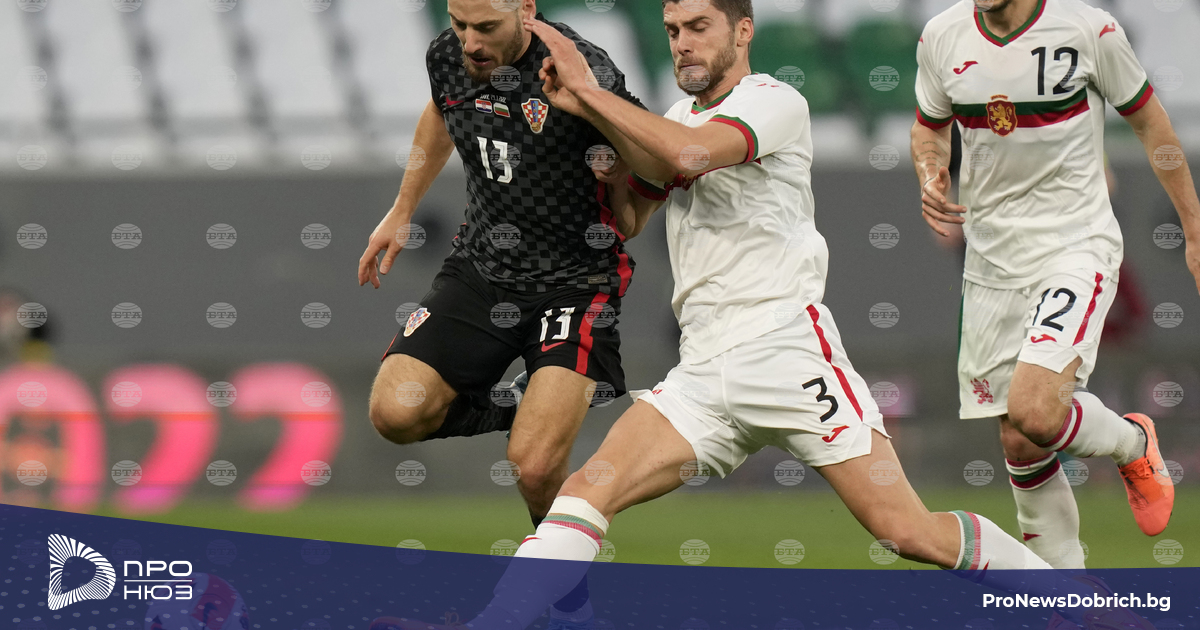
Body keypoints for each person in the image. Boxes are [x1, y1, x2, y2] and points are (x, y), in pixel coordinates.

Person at [371, 1, 1153, 628]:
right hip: (702, 374)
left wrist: (591, 96)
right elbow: (632, 212)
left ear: (742, 31)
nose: (683, 42)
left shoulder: (774, 102)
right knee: (582, 494)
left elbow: (686, 156)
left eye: (699, 26)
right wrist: (589, 150)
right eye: (672, 29)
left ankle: (1078, 604)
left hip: (789, 355)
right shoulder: (670, 116)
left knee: (907, 531)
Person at [357, 0, 644, 623]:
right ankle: (522, 404)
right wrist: (402, 209)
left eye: (485, 27)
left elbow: (645, 164)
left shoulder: (583, 68)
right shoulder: (449, 56)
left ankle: (569, 604)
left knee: (535, 468)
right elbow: (441, 111)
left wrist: (607, 145)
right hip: (482, 270)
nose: (469, 42)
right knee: (394, 413)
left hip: (576, 282)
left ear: (526, 11)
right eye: (459, 24)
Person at [911, 0, 1198, 569]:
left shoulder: (1089, 29)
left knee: (1038, 412)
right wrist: (931, 172)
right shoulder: (941, 36)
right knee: (1021, 440)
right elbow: (928, 127)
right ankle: (1066, 596)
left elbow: (1151, 123)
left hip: (1074, 245)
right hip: (991, 262)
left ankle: (1132, 442)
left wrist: (1193, 228)